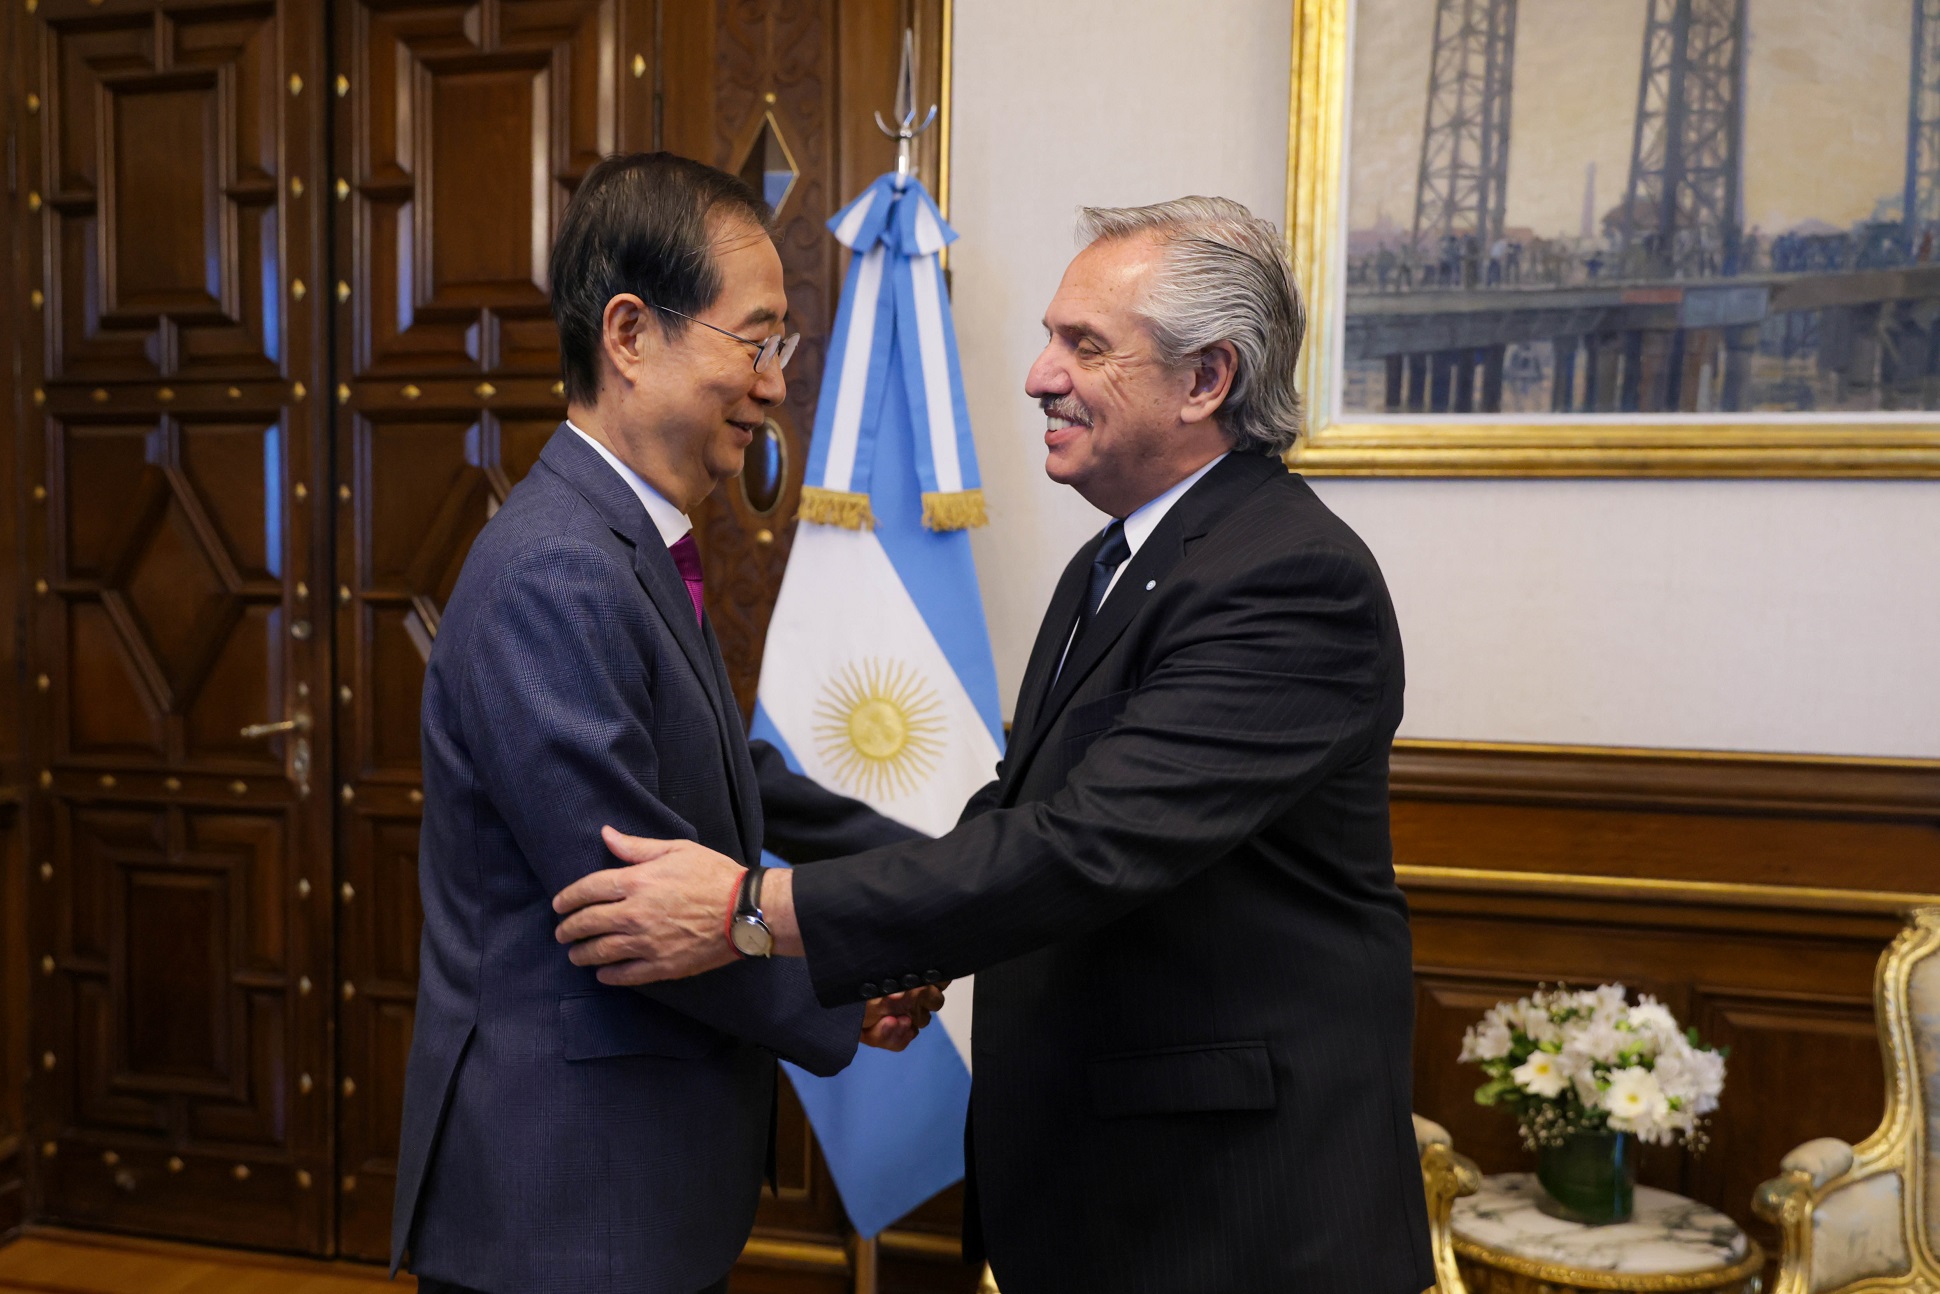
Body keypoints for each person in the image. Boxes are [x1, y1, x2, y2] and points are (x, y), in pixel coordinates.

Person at [553, 196, 1434, 1293]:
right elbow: (1014, 828)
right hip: (1111, 1203)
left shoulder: (1288, 578)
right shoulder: (1113, 563)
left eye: (1083, 346)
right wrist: (882, 938)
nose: (1035, 376)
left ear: (1205, 379)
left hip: (1231, 1220)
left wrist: (748, 913)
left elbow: (1084, 848)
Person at [391, 152, 936, 1294]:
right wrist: (850, 974)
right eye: (757, 341)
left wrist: (939, 873)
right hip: (563, 1201)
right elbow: (632, 901)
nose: (776, 383)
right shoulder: (556, 569)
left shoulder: (623, 543)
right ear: (630, 335)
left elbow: (733, 780)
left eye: (778, 347)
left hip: (626, 1180)